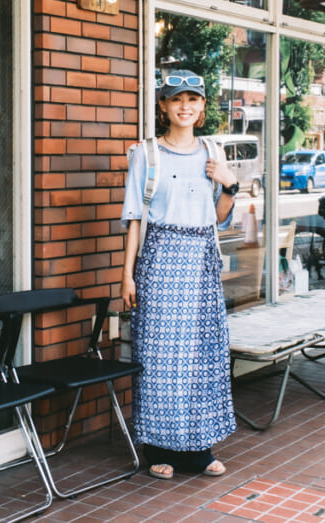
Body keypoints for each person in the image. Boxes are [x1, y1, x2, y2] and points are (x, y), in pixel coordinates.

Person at [120, 69, 239, 481]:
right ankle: (157, 447)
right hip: (160, 259)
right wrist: (127, 276)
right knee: (158, 358)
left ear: (203, 107)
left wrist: (231, 185)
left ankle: (200, 449)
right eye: (176, 100)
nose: (185, 106)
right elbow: (135, 218)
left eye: (193, 99)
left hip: (201, 258)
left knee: (201, 357)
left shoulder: (213, 150)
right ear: (163, 107)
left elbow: (220, 218)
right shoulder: (147, 154)